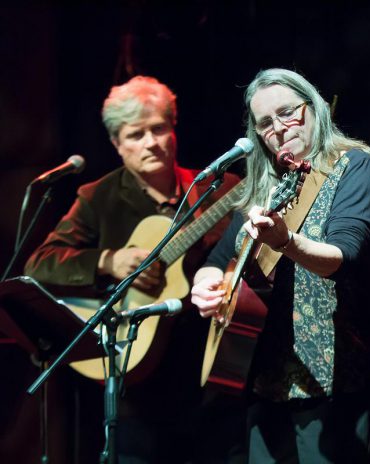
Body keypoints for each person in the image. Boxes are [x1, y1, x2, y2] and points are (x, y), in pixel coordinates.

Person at [24, 75, 245, 463]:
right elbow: (40, 263)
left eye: (159, 128)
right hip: (138, 387)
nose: (151, 142)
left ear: (174, 129)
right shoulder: (97, 197)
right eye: (136, 134)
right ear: (116, 145)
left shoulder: (219, 188)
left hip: (211, 376)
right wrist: (109, 261)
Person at [190, 68, 370, 464]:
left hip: (335, 383)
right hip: (263, 379)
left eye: (288, 113)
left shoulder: (353, 165)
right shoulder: (265, 187)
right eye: (265, 123)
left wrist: (285, 241)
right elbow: (215, 261)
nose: (279, 128)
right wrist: (208, 286)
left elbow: (342, 255)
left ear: (313, 108)